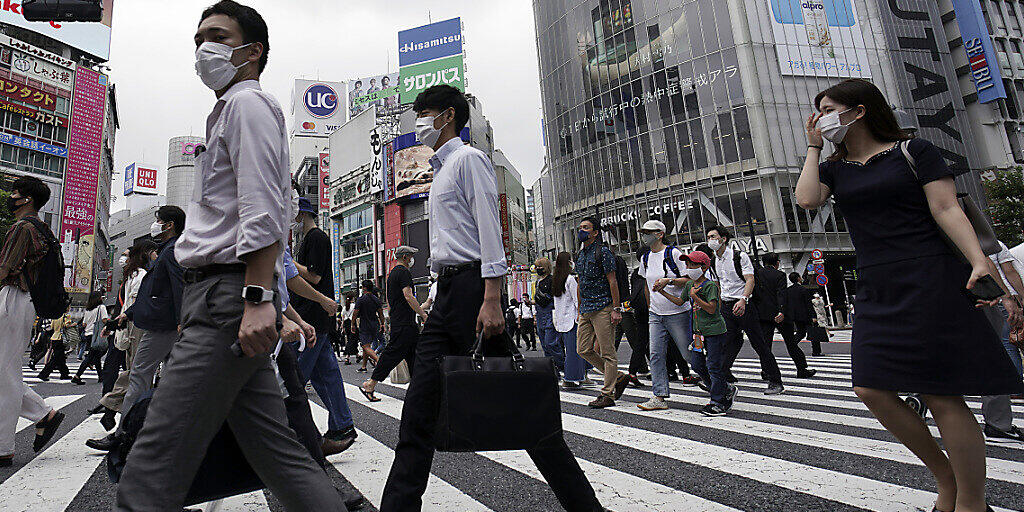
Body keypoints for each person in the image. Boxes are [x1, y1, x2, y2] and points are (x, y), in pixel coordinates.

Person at [115, 3, 345, 509]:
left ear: (252, 50)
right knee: (277, 452)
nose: (204, 49)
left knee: (152, 463)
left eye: (218, 36)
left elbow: (263, 209)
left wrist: (259, 298)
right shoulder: (228, 111)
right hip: (221, 296)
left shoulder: (247, 106)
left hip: (225, 300)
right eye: (199, 38)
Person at [798, 78, 1023, 512]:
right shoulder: (834, 168)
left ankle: (970, 502)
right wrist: (813, 147)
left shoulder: (913, 151)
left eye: (827, 109)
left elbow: (946, 208)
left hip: (929, 275)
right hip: (877, 284)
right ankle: (946, 479)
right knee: (870, 388)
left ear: (859, 110)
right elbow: (807, 199)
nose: (820, 118)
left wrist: (978, 260)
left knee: (941, 393)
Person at [380, 85, 602, 512]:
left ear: (447, 116)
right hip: (447, 293)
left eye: (422, 113)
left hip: (472, 291)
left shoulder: (469, 160)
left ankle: (586, 506)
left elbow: (489, 230)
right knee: (419, 406)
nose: (416, 123)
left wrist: (493, 296)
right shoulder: (439, 170)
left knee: (523, 403)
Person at [87, 207, 185, 449]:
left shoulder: (171, 251)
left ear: (169, 225)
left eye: (159, 221)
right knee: (171, 378)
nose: (156, 225)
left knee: (139, 375)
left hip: (163, 326)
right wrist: (126, 315)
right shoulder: (168, 250)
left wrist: (184, 320)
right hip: (164, 323)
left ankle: (124, 433)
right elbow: (152, 294)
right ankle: (167, 431)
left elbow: (178, 287)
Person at [0, 175, 65, 465]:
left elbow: (5, 268)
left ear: (27, 199)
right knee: (4, 370)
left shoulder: (23, 228)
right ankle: (43, 414)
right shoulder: (42, 228)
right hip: (22, 301)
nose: (10, 196)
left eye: (15, 192)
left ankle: (3, 447)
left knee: (5, 372)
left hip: (13, 297)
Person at [656, 250, 736, 416]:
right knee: (697, 364)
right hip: (698, 333)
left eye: (693, 265)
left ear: (704, 267)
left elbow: (712, 308)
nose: (689, 268)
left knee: (714, 365)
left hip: (714, 331)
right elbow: (680, 301)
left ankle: (718, 401)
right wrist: (662, 292)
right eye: (687, 264)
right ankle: (724, 388)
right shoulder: (689, 285)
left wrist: (696, 297)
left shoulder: (710, 286)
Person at [708, 225, 785, 395]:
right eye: (709, 237)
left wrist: (743, 300)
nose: (710, 240)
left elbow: (750, 280)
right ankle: (718, 380)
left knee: (759, 344)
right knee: (726, 343)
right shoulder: (714, 260)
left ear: (723, 239)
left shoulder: (738, 256)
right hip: (727, 306)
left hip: (744, 305)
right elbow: (720, 284)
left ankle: (775, 381)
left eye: (713, 236)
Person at [636, 220, 696, 411]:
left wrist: (668, 281)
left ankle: (718, 385)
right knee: (655, 354)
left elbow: (689, 280)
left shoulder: (674, 253)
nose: (644, 236)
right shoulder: (645, 257)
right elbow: (646, 284)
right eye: (643, 232)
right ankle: (659, 396)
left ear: (659, 234)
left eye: (647, 232)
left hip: (678, 312)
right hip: (656, 313)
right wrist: (650, 305)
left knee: (688, 354)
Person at [575, 216, 629, 408]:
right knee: (583, 349)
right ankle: (619, 377)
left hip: (603, 307)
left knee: (607, 352)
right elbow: (580, 283)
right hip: (586, 309)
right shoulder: (580, 255)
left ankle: (608, 394)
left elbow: (612, 281)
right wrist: (579, 307)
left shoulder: (603, 252)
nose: (581, 230)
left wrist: (616, 309)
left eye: (586, 227)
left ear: (595, 232)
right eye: (580, 227)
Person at [361, 246, 427, 401]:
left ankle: (420, 389)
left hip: (401, 320)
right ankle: (371, 383)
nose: (412, 259)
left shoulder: (392, 275)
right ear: (404, 257)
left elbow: (391, 301)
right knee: (393, 353)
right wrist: (423, 314)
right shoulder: (403, 272)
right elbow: (408, 296)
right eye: (410, 256)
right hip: (404, 322)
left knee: (414, 355)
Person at [980, 241, 1024, 443]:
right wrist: (1008, 297)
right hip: (987, 295)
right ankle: (998, 423)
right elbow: (988, 263)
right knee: (999, 351)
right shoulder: (991, 243)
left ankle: (922, 396)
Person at [758, 253, 816, 379]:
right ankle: (801, 369)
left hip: (764, 315)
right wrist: (781, 311)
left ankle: (766, 371)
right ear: (777, 263)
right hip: (780, 315)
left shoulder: (757, 274)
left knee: (765, 345)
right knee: (791, 343)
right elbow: (781, 294)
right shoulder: (779, 275)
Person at [779, 272, 823, 358]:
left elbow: (786, 304)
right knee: (813, 332)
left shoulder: (788, 291)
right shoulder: (803, 289)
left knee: (801, 332)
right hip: (805, 314)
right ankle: (816, 351)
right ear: (799, 278)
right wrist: (813, 316)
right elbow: (808, 304)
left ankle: (792, 346)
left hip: (795, 316)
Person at [534, 258, 564, 372]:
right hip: (540, 313)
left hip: (551, 312)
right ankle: (552, 368)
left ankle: (561, 365)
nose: (538, 269)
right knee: (544, 344)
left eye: (540, 267)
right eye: (536, 267)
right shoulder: (538, 281)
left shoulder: (552, 280)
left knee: (550, 342)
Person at [71, 292, 108, 385]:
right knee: (91, 356)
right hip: (97, 335)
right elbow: (104, 320)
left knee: (95, 356)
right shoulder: (101, 307)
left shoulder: (87, 310)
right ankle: (77, 376)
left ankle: (101, 376)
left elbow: (84, 324)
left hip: (88, 334)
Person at [353, 279, 384, 373]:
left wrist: (352, 324)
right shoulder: (376, 299)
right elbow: (381, 313)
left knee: (365, 346)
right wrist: (382, 324)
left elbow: (355, 313)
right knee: (367, 346)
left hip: (365, 325)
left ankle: (379, 361)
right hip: (375, 324)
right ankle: (363, 366)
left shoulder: (361, 299)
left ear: (364, 288)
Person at [341, 295, 357, 364]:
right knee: (352, 339)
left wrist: (342, 326)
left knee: (351, 339)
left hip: (346, 323)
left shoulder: (344, 307)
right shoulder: (354, 305)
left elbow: (343, 316)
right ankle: (347, 357)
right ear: (352, 299)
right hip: (352, 323)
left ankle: (357, 354)